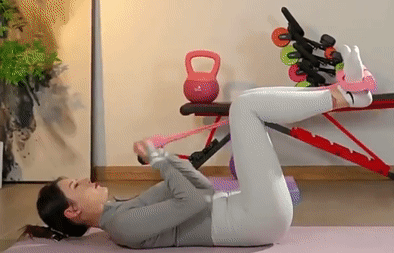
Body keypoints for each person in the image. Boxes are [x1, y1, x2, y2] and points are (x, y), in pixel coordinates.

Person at [20, 45, 373, 248]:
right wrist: (159, 159)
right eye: (76, 185)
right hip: (257, 219)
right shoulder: (123, 226)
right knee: (245, 108)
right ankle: (345, 96)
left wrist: (164, 157)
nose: (86, 180)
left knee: (246, 104)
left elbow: (201, 188)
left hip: (253, 211)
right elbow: (194, 200)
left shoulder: (122, 208)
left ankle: (343, 94)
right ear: (73, 211)